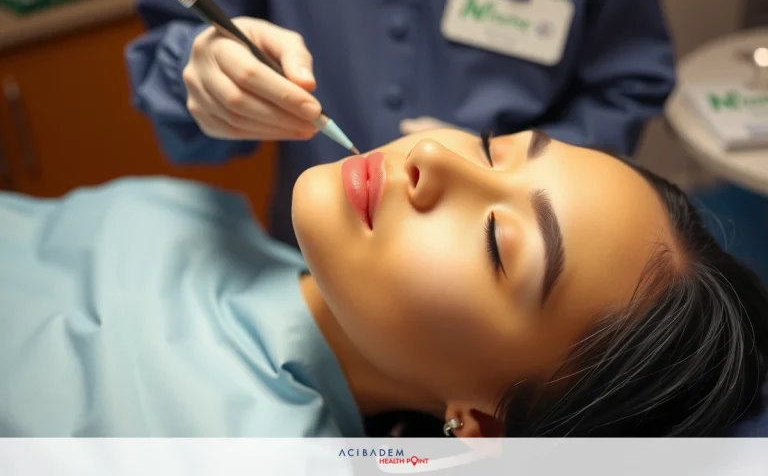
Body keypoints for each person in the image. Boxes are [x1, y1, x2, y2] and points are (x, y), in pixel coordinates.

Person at [1, 128, 766, 437]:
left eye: (499, 243)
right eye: (499, 149)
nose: (434, 155)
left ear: (482, 425)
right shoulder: (269, 257)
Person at [125, 0, 677, 249]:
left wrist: (497, 171)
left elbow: (626, 86)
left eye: (501, 248)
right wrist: (201, 73)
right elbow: (171, 48)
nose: (425, 161)